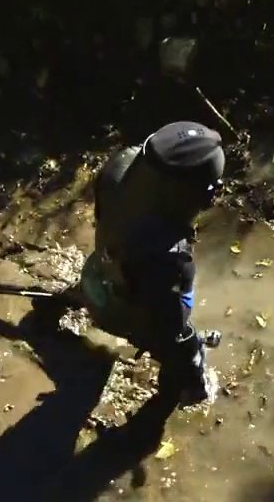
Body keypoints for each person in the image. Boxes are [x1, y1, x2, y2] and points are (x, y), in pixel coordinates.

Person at [73, 120, 226, 408]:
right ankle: (184, 391)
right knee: (184, 345)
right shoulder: (171, 256)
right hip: (119, 313)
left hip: (94, 274)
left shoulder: (119, 166)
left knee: (110, 274)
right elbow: (169, 325)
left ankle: (51, 306)